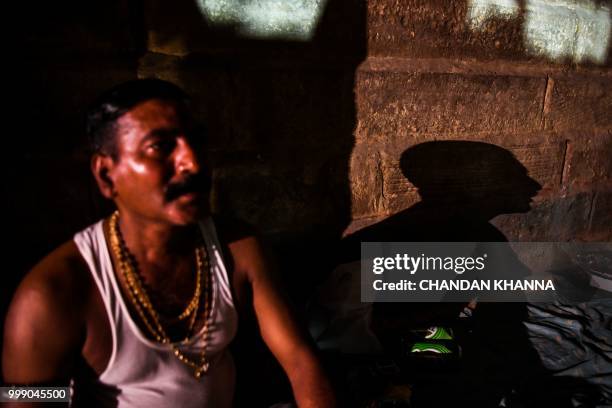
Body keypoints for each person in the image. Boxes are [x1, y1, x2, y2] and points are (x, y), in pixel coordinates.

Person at [2, 79, 336, 407]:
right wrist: (67, 393)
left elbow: (301, 363)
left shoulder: (238, 249)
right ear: (106, 175)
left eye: (198, 141)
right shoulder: (52, 294)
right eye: (161, 147)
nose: (193, 162)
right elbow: (22, 395)